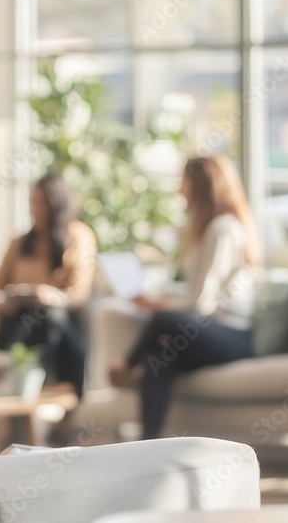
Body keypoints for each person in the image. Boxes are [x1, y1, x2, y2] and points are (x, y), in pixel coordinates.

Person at [110, 155, 260, 439]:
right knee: (159, 360)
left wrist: (156, 304)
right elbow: (196, 293)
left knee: (163, 318)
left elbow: (201, 303)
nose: (180, 190)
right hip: (211, 331)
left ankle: (125, 365)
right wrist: (157, 295)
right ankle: (149, 445)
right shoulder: (207, 229)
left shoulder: (223, 229)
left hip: (234, 336)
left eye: (184, 182)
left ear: (200, 186)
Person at [0, 172, 97, 398]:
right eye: (33, 201)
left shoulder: (78, 237)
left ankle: (40, 391)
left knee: (51, 315)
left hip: (57, 325)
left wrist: (54, 296)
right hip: (16, 327)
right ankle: (48, 394)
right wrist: (5, 301)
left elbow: (80, 295)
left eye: (43, 202)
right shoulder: (18, 243)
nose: (37, 209)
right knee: (46, 319)